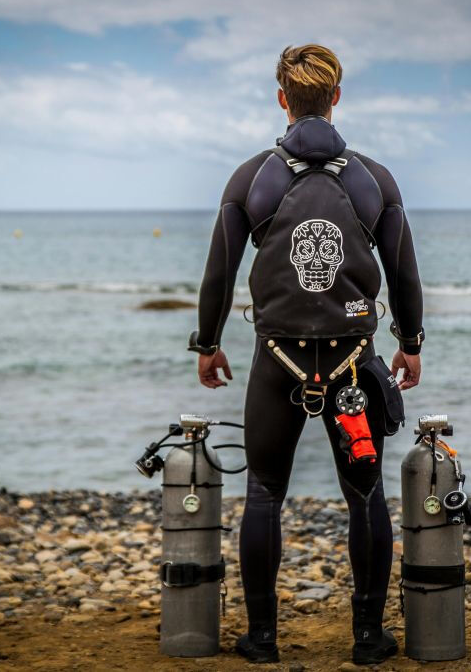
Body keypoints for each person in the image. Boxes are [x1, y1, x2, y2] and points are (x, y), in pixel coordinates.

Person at [187, 44, 424, 665]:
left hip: (277, 361)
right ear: (337, 98)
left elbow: (219, 273)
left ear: (283, 100)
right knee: (365, 495)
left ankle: (262, 639)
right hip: (354, 364)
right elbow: (403, 272)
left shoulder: (251, 178)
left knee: (265, 494)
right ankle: (369, 640)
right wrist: (411, 343)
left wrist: (208, 344)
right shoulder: (374, 179)